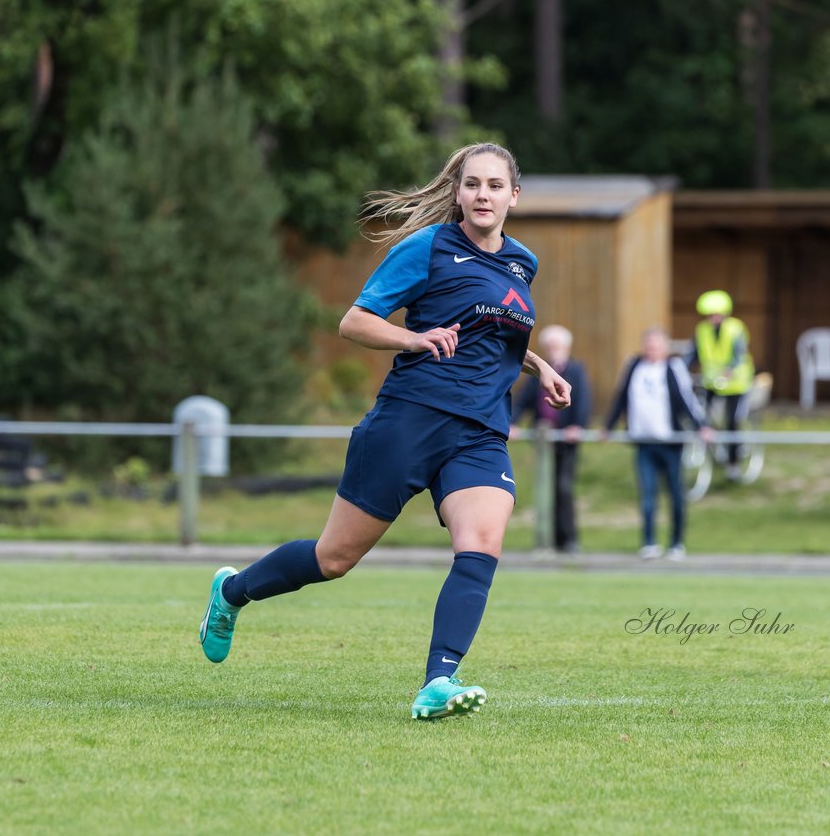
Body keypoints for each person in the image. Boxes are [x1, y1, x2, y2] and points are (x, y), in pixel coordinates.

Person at [197, 142, 571, 720]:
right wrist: (413, 339)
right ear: (457, 192)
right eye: (472, 184)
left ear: (513, 196)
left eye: (495, 186)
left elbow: (494, 332)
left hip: (479, 434)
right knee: (334, 558)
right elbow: (354, 321)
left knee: (481, 545)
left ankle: (438, 683)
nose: (483, 196)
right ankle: (232, 593)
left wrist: (540, 366)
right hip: (409, 421)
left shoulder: (523, 263)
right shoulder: (427, 247)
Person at [600, 327, 713, 560]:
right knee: (648, 494)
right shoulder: (634, 366)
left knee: (675, 494)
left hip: (670, 442)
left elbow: (686, 399)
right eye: (649, 345)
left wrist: (701, 425)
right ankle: (649, 542)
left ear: (665, 347)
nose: (652, 349)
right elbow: (621, 396)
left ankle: (676, 543)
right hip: (644, 442)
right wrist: (608, 426)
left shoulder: (674, 367)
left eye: (657, 345)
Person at [511, 324, 591, 554]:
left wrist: (578, 426)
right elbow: (524, 401)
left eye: (556, 346)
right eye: (549, 346)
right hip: (544, 439)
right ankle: (548, 540)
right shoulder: (539, 373)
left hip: (565, 440)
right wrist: (512, 423)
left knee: (564, 488)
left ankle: (568, 539)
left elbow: (583, 400)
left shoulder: (575, 369)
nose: (553, 350)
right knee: (546, 489)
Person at [685, 290, 754, 481]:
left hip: (735, 383)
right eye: (709, 314)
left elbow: (739, 355)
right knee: (699, 415)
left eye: (716, 314)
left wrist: (730, 370)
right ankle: (710, 449)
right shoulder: (702, 330)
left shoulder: (735, 328)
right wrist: (681, 370)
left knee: (732, 422)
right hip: (711, 382)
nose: (712, 318)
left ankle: (733, 464)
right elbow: (692, 354)